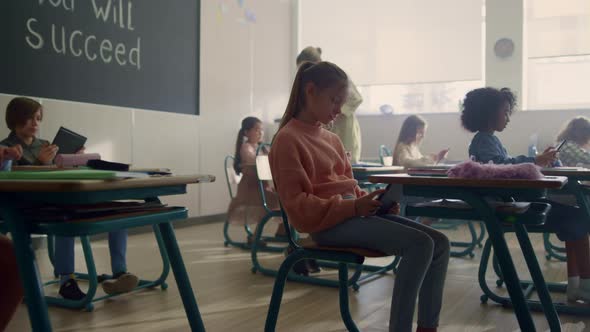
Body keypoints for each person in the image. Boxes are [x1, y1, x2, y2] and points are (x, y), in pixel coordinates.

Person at [270, 61, 450, 332]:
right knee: (421, 244)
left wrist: (373, 202)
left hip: (351, 218)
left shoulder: (332, 140)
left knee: (440, 242)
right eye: (334, 101)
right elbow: (300, 211)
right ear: (310, 91)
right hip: (326, 227)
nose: (338, 110)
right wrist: (355, 206)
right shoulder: (287, 139)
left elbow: (349, 188)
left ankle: (427, 327)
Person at [1, 97, 138, 300]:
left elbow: (59, 172)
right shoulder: (6, 147)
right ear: (14, 119)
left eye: (38, 118)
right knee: (66, 216)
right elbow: (9, 179)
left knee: (116, 211)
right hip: (28, 206)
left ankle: (119, 272)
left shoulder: (45, 144)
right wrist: (40, 163)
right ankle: (67, 280)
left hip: (56, 199)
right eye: (29, 118)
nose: (35, 123)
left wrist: (74, 159)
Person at [462, 87, 590, 302]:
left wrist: (536, 162)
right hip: (510, 211)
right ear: (488, 114)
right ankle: (584, 286)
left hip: (512, 205)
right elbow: (501, 168)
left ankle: (577, 285)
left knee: (576, 219)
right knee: (579, 218)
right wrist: (535, 161)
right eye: (505, 112)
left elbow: (504, 165)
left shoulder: (487, 140)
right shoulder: (484, 141)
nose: (508, 118)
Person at [296, 46, 364, 164]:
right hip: (328, 128)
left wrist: (335, 109)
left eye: (336, 100)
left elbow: (357, 99)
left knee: (346, 163)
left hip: (344, 128)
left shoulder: (336, 78)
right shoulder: (291, 137)